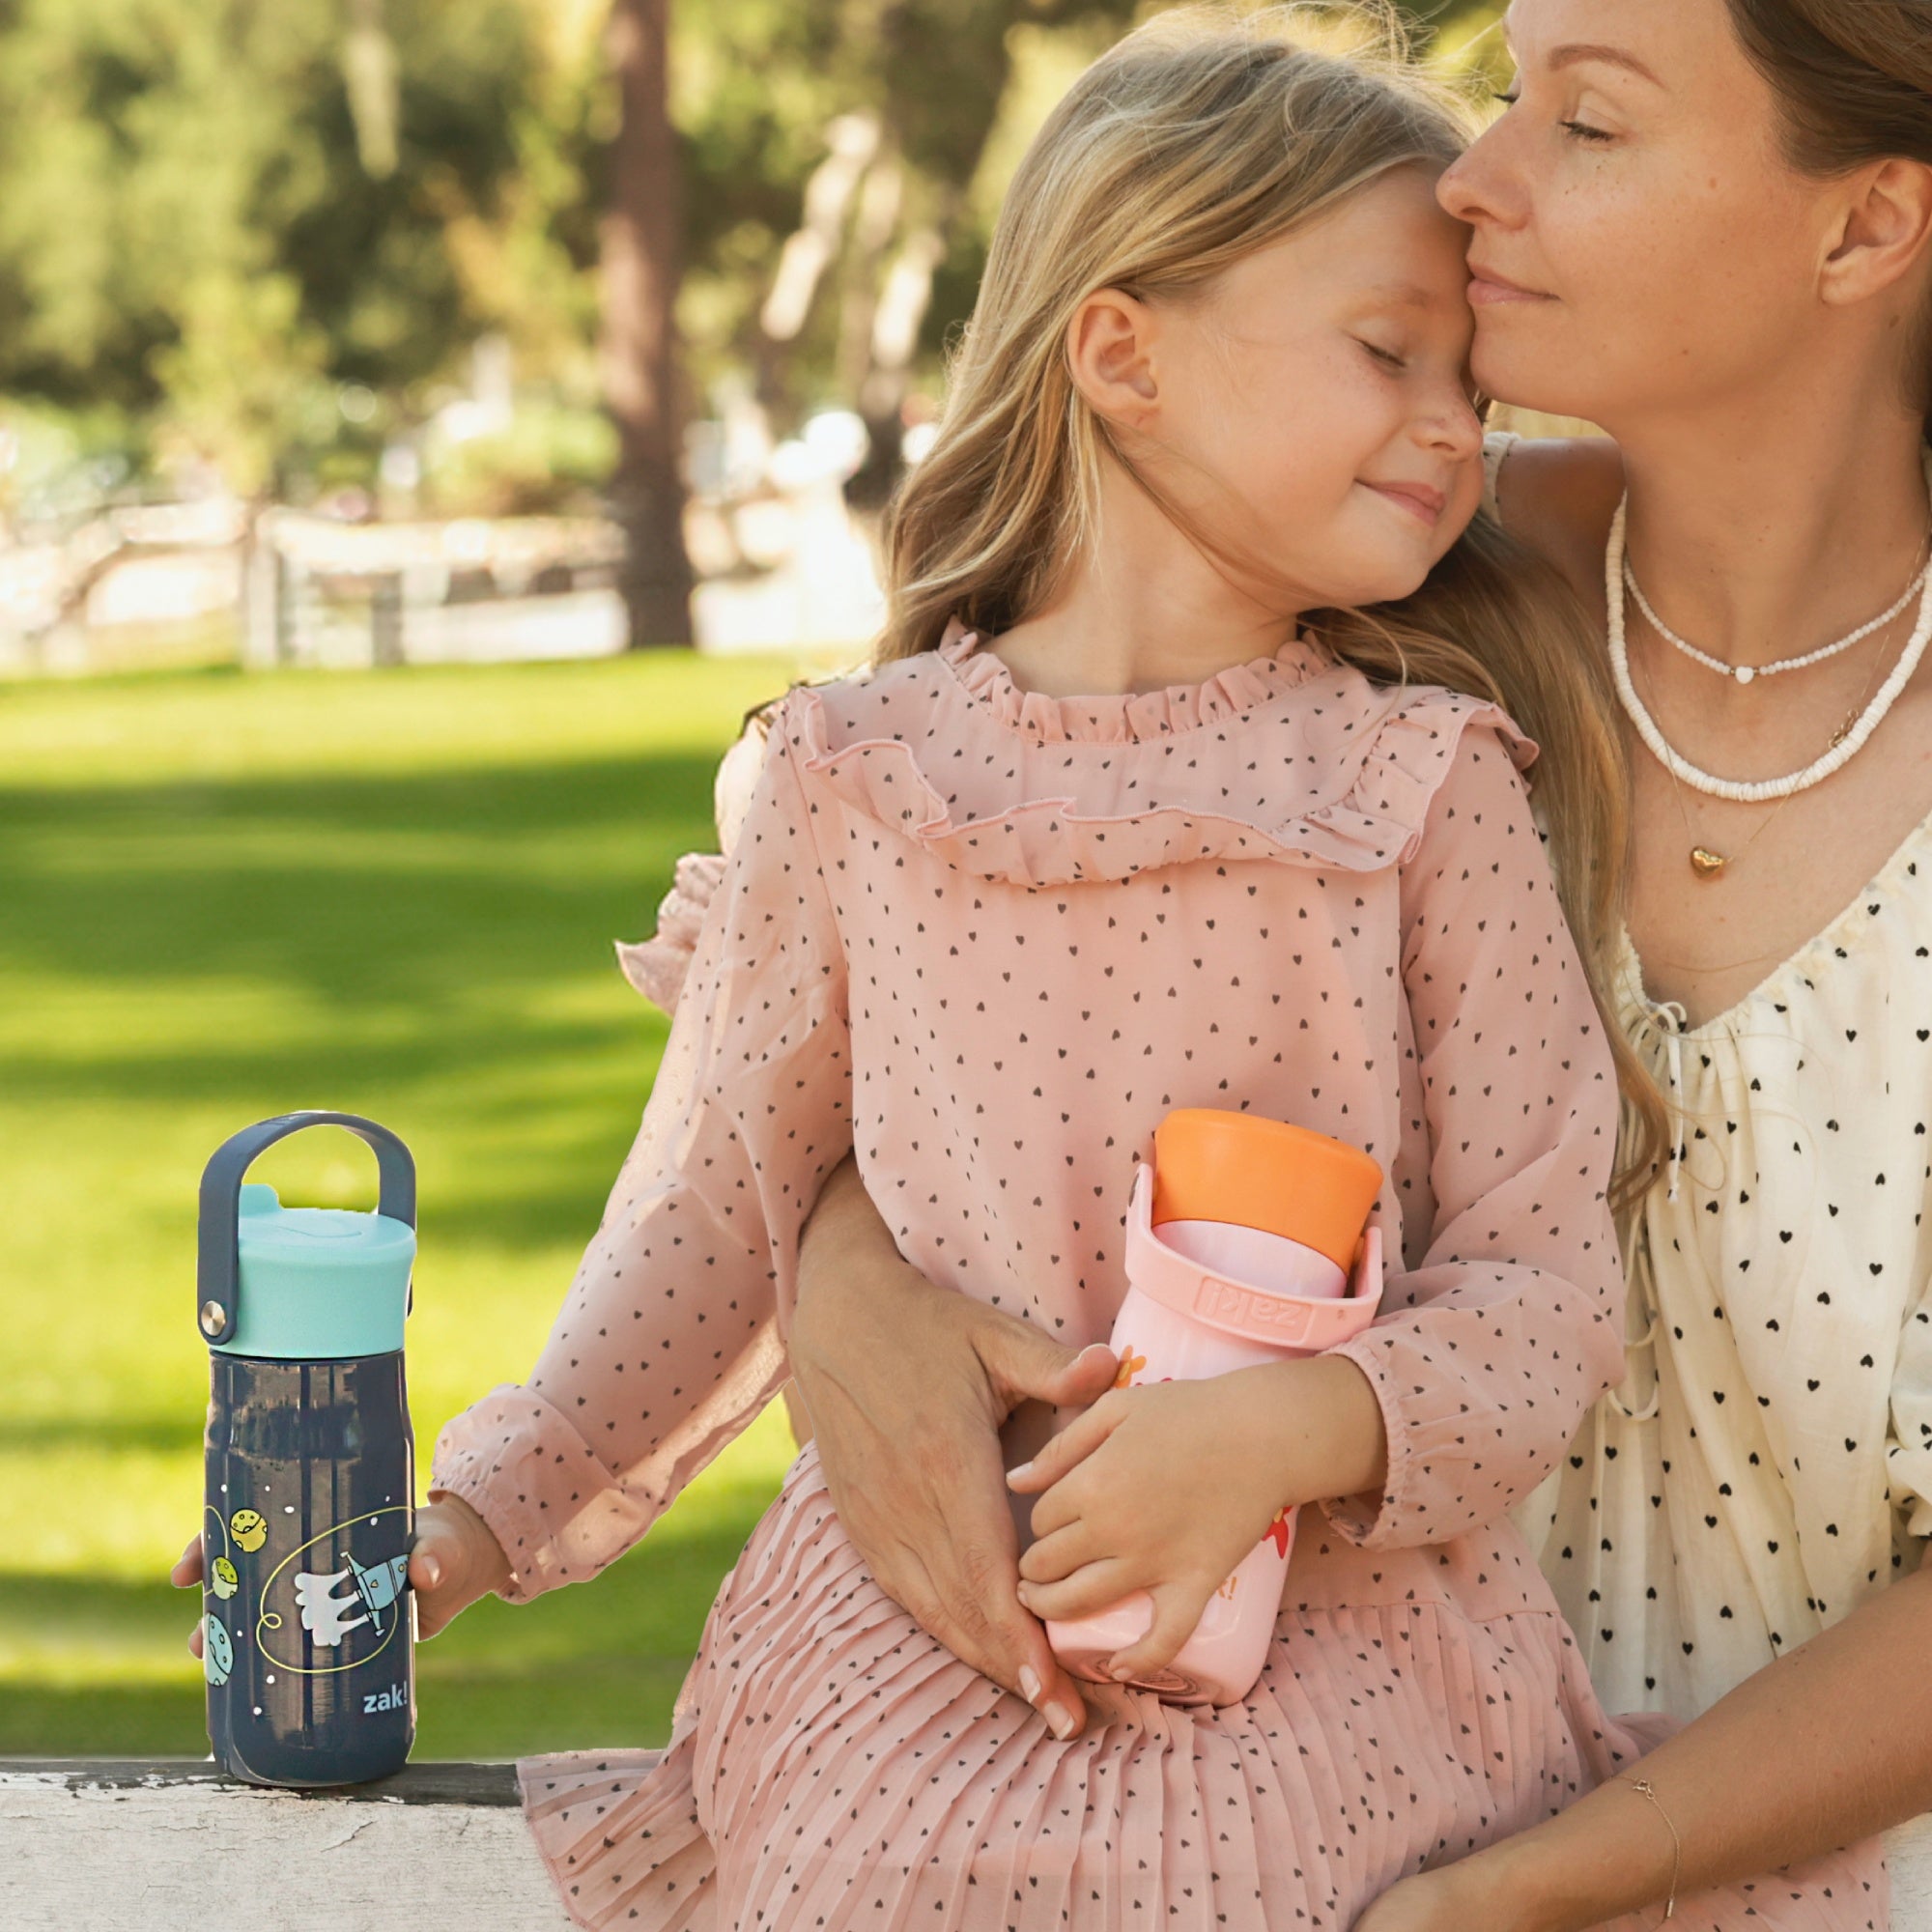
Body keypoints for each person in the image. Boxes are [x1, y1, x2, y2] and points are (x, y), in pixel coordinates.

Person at [311, 12, 1765, 1926]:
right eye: (1384, 352)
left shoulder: (1421, 792)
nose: (1453, 422)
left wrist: (1283, 1430)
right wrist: (475, 1518)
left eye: (1468, 382)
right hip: (926, 1639)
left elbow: (1538, 1289)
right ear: (1121, 351)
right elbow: (709, 1224)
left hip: (1335, 1663)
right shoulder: (848, 781)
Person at [760, 2, 1932, 1928]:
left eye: (1591, 124)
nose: (1476, 181)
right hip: (1275, 1832)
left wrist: (1514, 1895)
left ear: (1863, 226)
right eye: (1504, 99)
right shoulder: (1364, 622)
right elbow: (909, 940)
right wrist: (849, 1272)